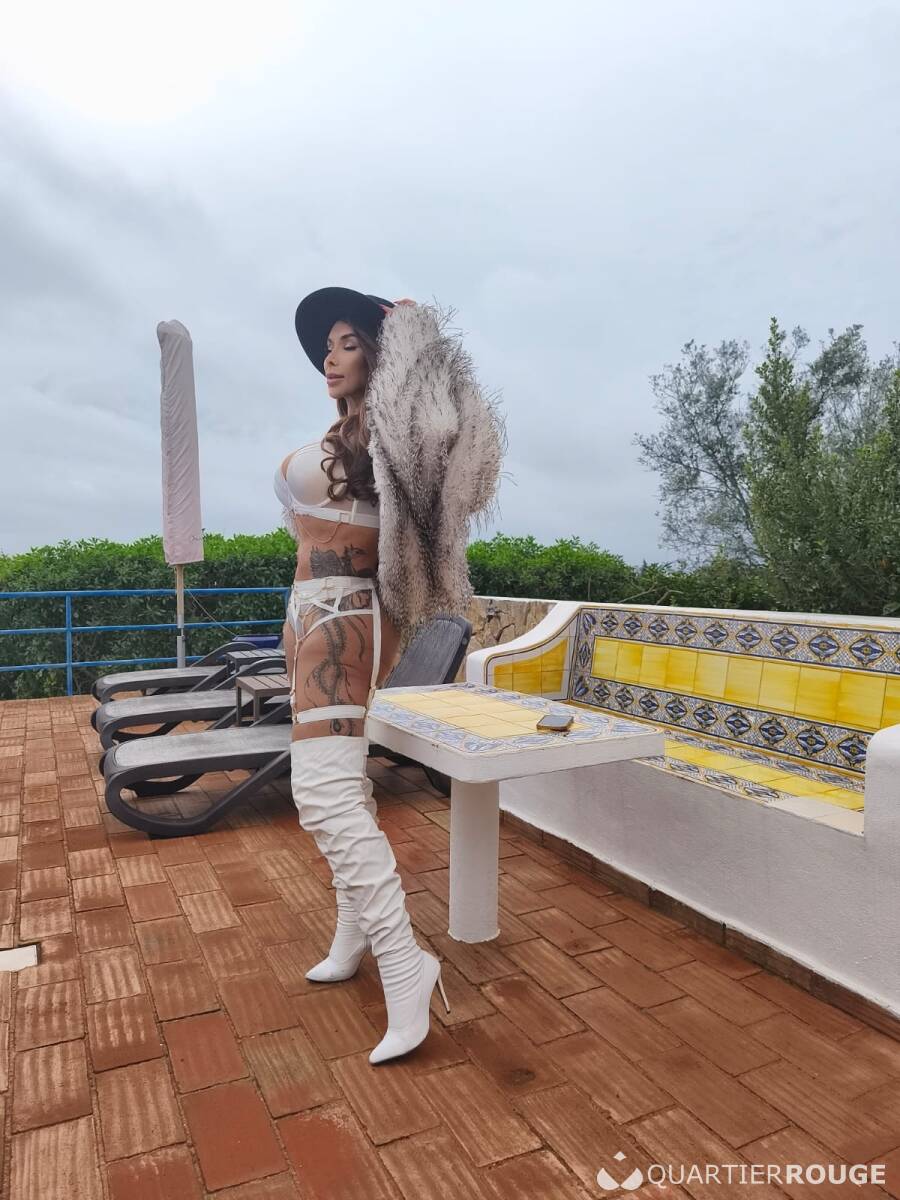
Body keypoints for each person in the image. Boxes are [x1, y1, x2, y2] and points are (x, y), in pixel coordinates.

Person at [276, 286, 506, 1064]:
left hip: (347, 619)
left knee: (324, 794)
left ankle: (407, 965)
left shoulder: (393, 439)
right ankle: (352, 932)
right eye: (327, 346)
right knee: (344, 787)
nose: (330, 357)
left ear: (382, 356)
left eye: (349, 343)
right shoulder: (340, 436)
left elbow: (454, 442)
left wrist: (414, 334)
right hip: (312, 618)